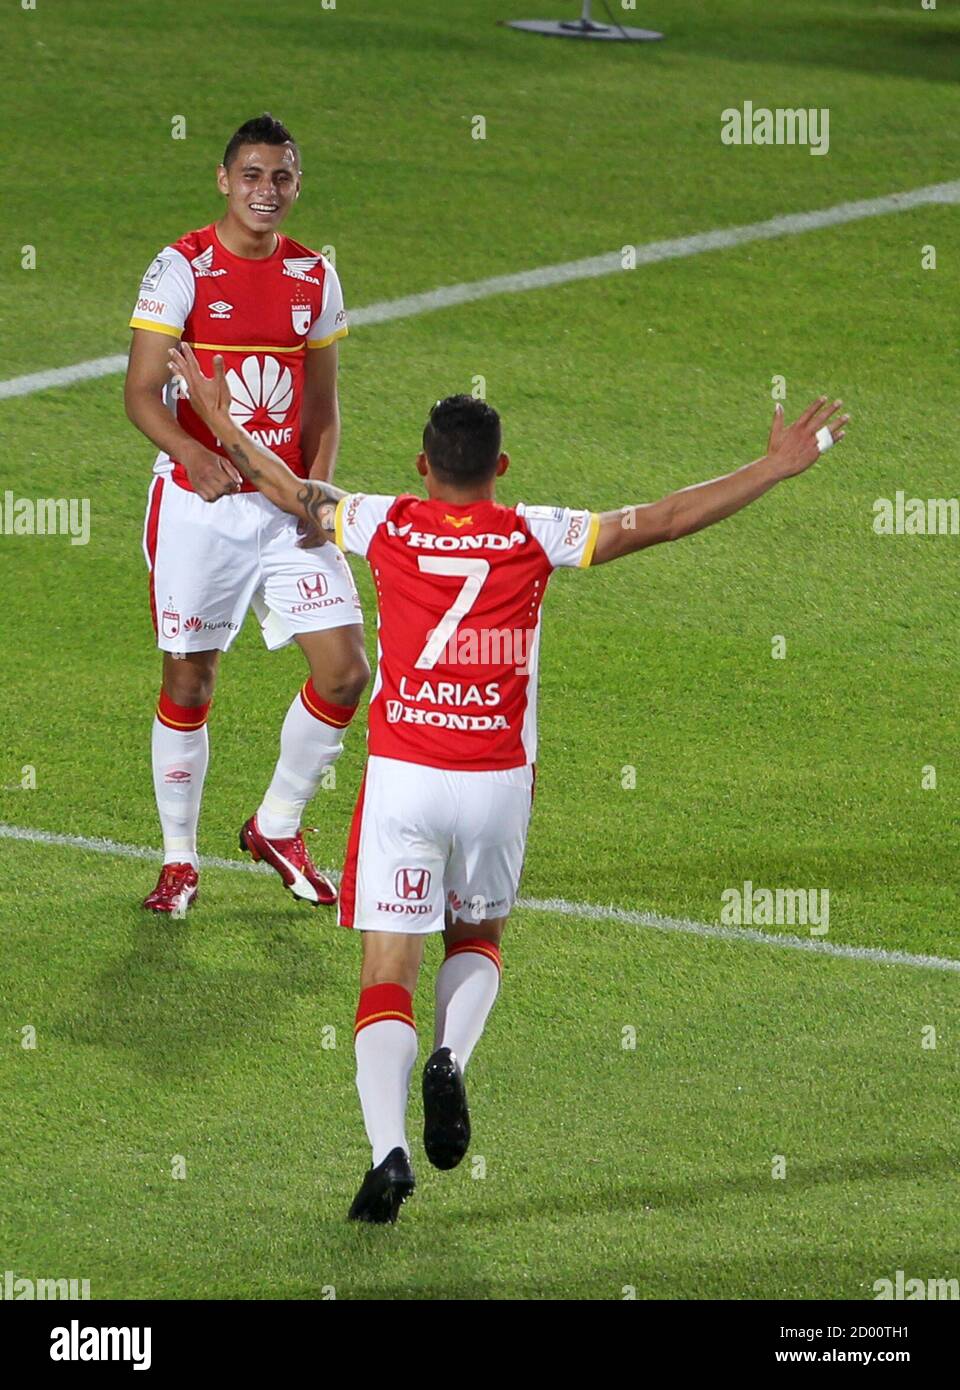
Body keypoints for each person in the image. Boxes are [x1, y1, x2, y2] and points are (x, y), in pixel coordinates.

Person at [168, 342, 848, 1222]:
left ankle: (387, 1154)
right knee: (476, 936)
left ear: (424, 465)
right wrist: (773, 465)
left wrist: (217, 415)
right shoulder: (539, 532)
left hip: (407, 778)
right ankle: (452, 1056)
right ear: (501, 468)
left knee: (385, 969)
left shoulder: (384, 521)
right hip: (494, 783)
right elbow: (666, 519)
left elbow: (278, 481)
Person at [124, 114, 368, 915]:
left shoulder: (315, 277)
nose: (268, 192)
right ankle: (178, 860)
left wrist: (316, 496)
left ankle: (277, 824)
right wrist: (191, 454)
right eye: (254, 176)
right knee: (190, 681)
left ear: (298, 186)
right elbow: (138, 392)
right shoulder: (181, 267)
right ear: (224, 180)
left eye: (283, 178)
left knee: (344, 671)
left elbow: (324, 411)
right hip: (200, 508)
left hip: (286, 505)